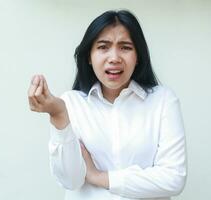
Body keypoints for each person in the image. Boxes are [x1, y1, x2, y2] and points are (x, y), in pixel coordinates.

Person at [28, 10, 187, 200]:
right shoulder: (71, 103)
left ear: (138, 57)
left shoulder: (163, 100)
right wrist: (58, 115)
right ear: (89, 56)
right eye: (103, 47)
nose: (114, 58)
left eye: (125, 47)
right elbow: (70, 181)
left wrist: (99, 177)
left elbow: (173, 179)